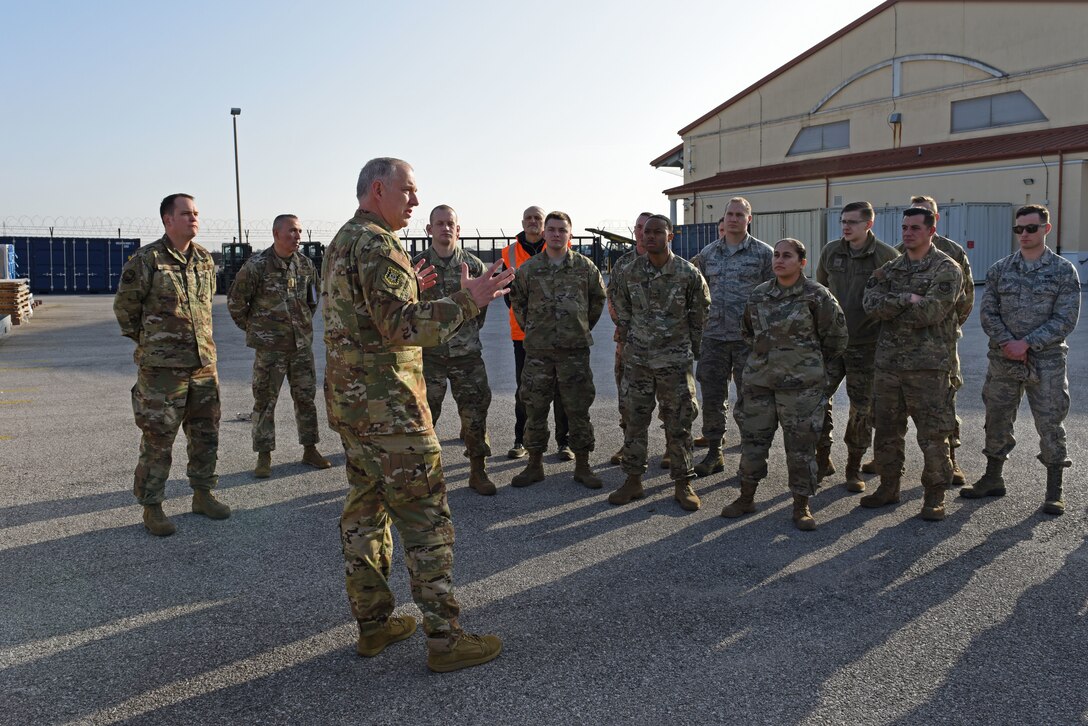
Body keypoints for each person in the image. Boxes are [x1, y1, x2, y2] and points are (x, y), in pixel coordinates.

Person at [322, 157, 511, 672]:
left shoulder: (344, 240)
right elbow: (401, 330)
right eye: (408, 191)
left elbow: (364, 316)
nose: (415, 202)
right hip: (390, 413)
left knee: (365, 513)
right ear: (378, 189)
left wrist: (416, 291)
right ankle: (447, 640)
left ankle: (374, 625)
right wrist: (466, 299)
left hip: (353, 406)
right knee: (425, 519)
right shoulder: (378, 244)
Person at [113, 193, 230, 536]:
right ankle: (152, 506)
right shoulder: (146, 260)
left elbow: (205, 306)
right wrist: (153, 344)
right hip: (162, 371)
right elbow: (126, 311)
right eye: (186, 213)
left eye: (196, 213)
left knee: (206, 434)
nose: (194, 218)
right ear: (168, 220)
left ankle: (203, 493)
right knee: (158, 438)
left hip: (203, 366)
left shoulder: (206, 260)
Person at [721, 239, 848, 530]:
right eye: (776, 255)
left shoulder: (817, 296)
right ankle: (746, 497)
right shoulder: (759, 294)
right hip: (760, 385)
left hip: (801, 389)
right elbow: (747, 332)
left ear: (802, 262)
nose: (779, 260)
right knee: (753, 443)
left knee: (801, 449)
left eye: (787, 256)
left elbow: (836, 338)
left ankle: (801, 505)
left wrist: (810, 367)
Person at [962, 204, 1080, 514]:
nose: (1024, 234)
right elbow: (988, 312)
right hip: (1004, 359)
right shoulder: (1001, 269)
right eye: (1019, 229)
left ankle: (1054, 491)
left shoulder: (1063, 270)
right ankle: (992, 479)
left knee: (1050, 423)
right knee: (997, 419)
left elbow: (1066, 318)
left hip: (1047, 362)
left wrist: (1027, 343)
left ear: (1046, 229)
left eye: (1031, 228)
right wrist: (1006, 342)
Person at [859, 207, 964, 521]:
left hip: (929, 368)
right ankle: (888, 487)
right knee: (887, 431)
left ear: (931, 231)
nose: (907, 233)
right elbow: (869, 304)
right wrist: (907, 298)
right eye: (905, 227)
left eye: (915, 228)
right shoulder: (890, 268)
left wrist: (894, 305)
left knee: (933, 435)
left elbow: (931, 313)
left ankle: (934, 496)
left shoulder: (947, 268)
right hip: (889, 365)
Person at [607, 215, 710, 511]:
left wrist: (691, 350)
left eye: (657, 232)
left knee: (679, 423)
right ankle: (633, 480)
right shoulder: (629, 270)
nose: (650, 237)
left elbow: (700, 313)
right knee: (634, 422)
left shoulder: (687, 273)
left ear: (670, 236)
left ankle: (682, 482)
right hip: (637, 360)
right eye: (646, 232)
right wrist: (628, 336)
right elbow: (619, 304)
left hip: (674, 362)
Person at [509, 211, 607, 490]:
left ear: (569, 235)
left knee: (578, 409)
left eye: (561, 230)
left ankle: (583, 466)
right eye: (550, 229)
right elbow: (518, 303)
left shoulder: (585, 268)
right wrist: (534, 330)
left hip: (574, 352)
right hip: (538, 352)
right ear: (544, 234)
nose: (555, 234)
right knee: (535, 408)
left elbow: (597, 300)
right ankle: (534, 465)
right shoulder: (529, 269)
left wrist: (580, 327)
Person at [227, 214, 331, 478]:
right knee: (264, 401)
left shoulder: (306, 265)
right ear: (276, 233)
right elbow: (236, 302)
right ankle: (264, 456)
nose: (297, 236)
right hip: (270, 350)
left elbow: (312, 300)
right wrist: (257, 330)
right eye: (292, 231)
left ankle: (310, 449)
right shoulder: (257, 266)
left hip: (300, 347)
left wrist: (302, 325)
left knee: (306, 398)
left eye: (299, 231)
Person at [815, 201, 899, 492]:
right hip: (833, 343)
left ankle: (853, 468)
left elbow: (895, 301)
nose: (846, 227)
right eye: (843, 221)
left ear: (868, 225)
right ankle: (822, 458)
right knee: (816, 398)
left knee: (861, 409)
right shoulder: (831, 251)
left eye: (852, 222)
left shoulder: (887, 257)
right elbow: (821, 291)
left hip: (867, 345)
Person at [691, 198, 774, 477]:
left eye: (740, 214)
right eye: (730, 214)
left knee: (750, 400)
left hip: (747, 341)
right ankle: (715, 453)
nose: (734, 219)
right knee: (713, 397)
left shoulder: (764, 254)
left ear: (749, 219)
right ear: (723, 218)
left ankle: (751, 457)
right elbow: (696, 293)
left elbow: (774, 297)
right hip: (713, 338)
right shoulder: (708, 253)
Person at [416, 204, 496, 495]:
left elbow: (481, 309)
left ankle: (478, 471)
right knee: (424, 417)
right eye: (439, 223)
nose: (445, 228)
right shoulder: (418, 265)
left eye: (450, 223)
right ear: (429, 229)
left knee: (475, 414)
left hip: (467, 355)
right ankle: (426, 476)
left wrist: (467, 335)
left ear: (458, 229)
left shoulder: (474, 265)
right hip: (429, 356)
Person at [501, 206, 571, 460]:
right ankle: (521, 439)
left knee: (561, 389)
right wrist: (531, 322)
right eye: (528, 218)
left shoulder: (559, 248)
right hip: (523, 334)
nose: (532, 222)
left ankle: (565, 442)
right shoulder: (509, 252)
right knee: (525, 388)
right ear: (522, 222)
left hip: (558, 334)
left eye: (537, 218)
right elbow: (510, 295)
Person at [606, 211, 652, 466]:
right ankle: (629, 444)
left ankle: (671, 446)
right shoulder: (623, 263)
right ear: (635, 231)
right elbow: (611, 298)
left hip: (662, 345)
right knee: (627, 397)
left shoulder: (672, 263)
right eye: (639, 227)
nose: (644, 233)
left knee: (670, 401)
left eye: (649, 228)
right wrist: (627, 326)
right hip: (627, 342)